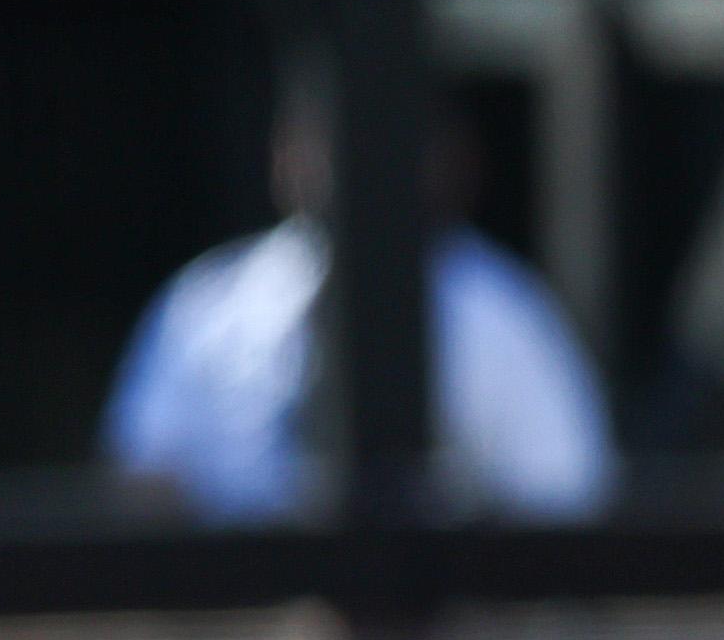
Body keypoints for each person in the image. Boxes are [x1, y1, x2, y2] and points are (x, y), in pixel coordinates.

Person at [104, 92, 614, 525]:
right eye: (317, 138)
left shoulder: (503, 311)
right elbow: (142, 476)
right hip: (238, 618)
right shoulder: (209, 301)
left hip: (439, 622)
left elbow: (567, 497)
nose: (339, 162)